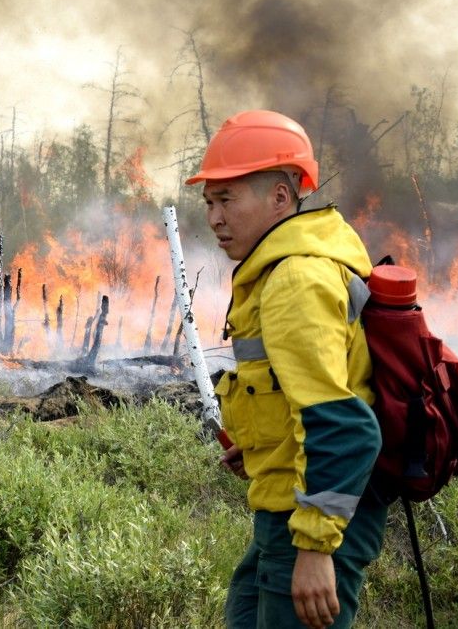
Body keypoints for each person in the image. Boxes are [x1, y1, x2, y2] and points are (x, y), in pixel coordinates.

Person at [185, 110, 386, 628]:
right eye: (209, 202)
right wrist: (259, 443)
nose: (214, 218)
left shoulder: (296, 280)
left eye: (227, 199)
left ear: (280, 196)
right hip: (286, 512)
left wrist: (316, 549)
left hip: (313, 525)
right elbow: (289, 393)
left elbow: (344, 426)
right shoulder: (282, 268)